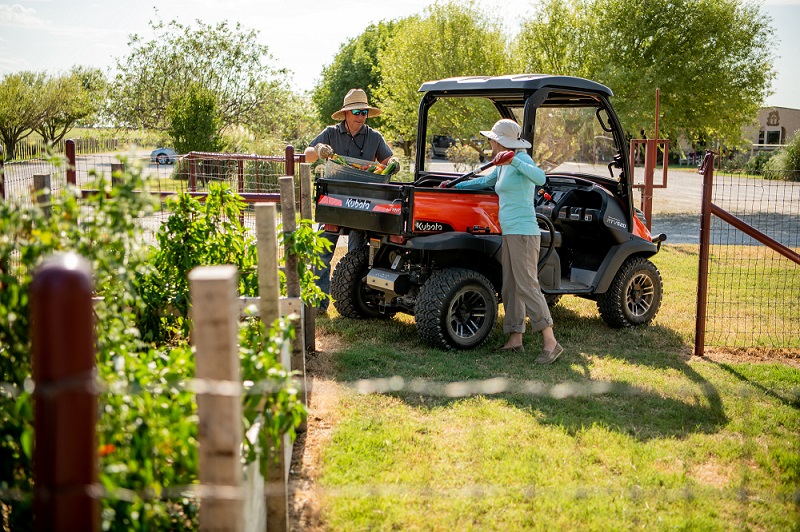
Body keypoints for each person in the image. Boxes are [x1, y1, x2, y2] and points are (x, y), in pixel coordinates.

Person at [443, 119, 563, 364]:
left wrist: (514, 160)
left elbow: (540, 178)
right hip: (509, 232)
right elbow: (484, 182)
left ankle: (551, 342)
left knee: (527, 285)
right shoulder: (501, 163)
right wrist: (454, 186)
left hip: (524, 232)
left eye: (491, 138)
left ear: (500, 141)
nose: (489, 142)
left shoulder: (521, 159)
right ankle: (514, 339)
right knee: (510, 285)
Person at [304, 88, 399, 312]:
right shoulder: (330, 133)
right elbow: (306, 154)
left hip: (363, 203)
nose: (361, 115)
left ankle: (353, 304)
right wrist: (318, 149)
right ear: (346, 113)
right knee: (321, 254)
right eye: (356, 111)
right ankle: (318, 304)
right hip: (333, 201)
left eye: (364, 112)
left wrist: (393, 162)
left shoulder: (374, 137)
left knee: (357, 255)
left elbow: (387, 160)